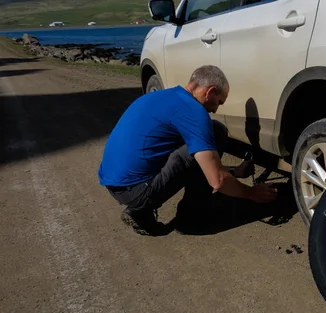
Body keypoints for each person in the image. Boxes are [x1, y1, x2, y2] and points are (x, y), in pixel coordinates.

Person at [97, 65, 278, 235]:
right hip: (136, 190)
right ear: (211, 92)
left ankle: (139, 211)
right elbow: (217, 181)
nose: (216, 109)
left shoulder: (161, 97)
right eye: (219, 102)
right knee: (215, 132)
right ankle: (190, 217)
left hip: (115, 184)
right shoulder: (194, 112)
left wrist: (235, 171)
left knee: (197, 140)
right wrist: (252, 193)